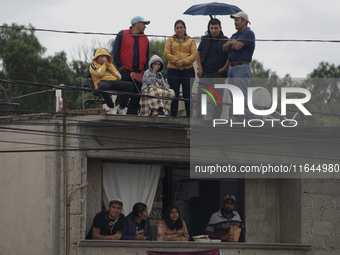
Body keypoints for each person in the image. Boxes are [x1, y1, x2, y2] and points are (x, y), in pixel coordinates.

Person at [112, 16, 150, 115]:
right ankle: (118, 114)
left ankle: (131, 116)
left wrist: (145, 68)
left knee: (136, 96)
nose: (145, 27)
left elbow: (147, 55)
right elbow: (115, 51)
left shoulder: (145, 38)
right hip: (124, 71)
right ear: (137, 24)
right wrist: (119, 65)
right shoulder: (122, 33)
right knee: (122, 94)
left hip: (138, 73)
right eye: (143, 24)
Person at [222, 12, 256, 120]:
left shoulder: (248, 33)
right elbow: (224, 48)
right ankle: (239, 119)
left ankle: (250, 118)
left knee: (242, 95)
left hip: (241, 67)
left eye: (237, 20)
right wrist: (232, 43)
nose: (235, 22)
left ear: (244, 21)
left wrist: (231, 43)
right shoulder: (235, 35)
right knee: (234, 96)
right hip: (232, 68)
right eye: (234, 20)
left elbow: (236, 47)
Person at [196, 18, 229, 119]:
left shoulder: (225, 40)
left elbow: (229, 57)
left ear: (220, 28)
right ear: (209, 28)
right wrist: (200, 68)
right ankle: (199, 116)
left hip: (219, 73)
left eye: (216, 28)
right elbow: (198, 54)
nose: (214, 30)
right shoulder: (205, 39)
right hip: (205, 72)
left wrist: (224, 69)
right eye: (211, 28)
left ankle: (217, 118)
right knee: (201, 96)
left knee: (218, 97)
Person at [164, 19, 197, 117]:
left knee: (187, 94)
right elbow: (167, 53)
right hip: (173, 70)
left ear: (185, 28)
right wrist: (177, 62)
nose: (179, 30)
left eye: (181, 27)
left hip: (188, 70)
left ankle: (189, 117)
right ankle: (173, 116)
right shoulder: (170, 40)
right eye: (177, 28)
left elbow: (194, 55)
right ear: (174, 29)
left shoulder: (191, 40)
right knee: (174, 94)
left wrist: (183, 62)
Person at [90, 48, 133, 115]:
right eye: (102, 56)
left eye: (105, 57)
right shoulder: (93, 65)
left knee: (129, 85)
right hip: (102, 83)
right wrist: (104, 65)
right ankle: (111, 107)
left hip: (113, 82)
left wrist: (110, 69)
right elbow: (100, 73)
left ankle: (121, 107)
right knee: (103, 86)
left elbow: (119, 77)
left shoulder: (110, 65)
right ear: (97, 58)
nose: (104, 58)